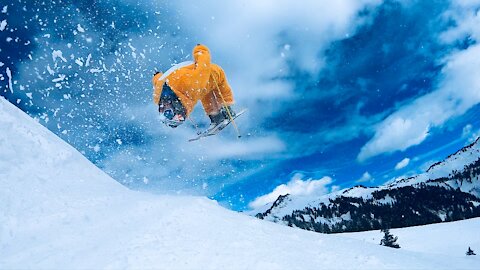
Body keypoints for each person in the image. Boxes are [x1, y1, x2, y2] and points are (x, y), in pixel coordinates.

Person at [152, 44, 236, 132]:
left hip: (212, 73)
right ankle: (216, 117)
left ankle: (227, 110)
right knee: (204, 94)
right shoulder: (159, 96)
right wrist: (157, 75)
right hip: (196, 83)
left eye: (169, 114)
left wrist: (200, 51)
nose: (181, 118)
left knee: (219, 90)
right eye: (180, 121)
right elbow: (159, 81)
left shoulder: (190, 86)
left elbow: (203, 67)